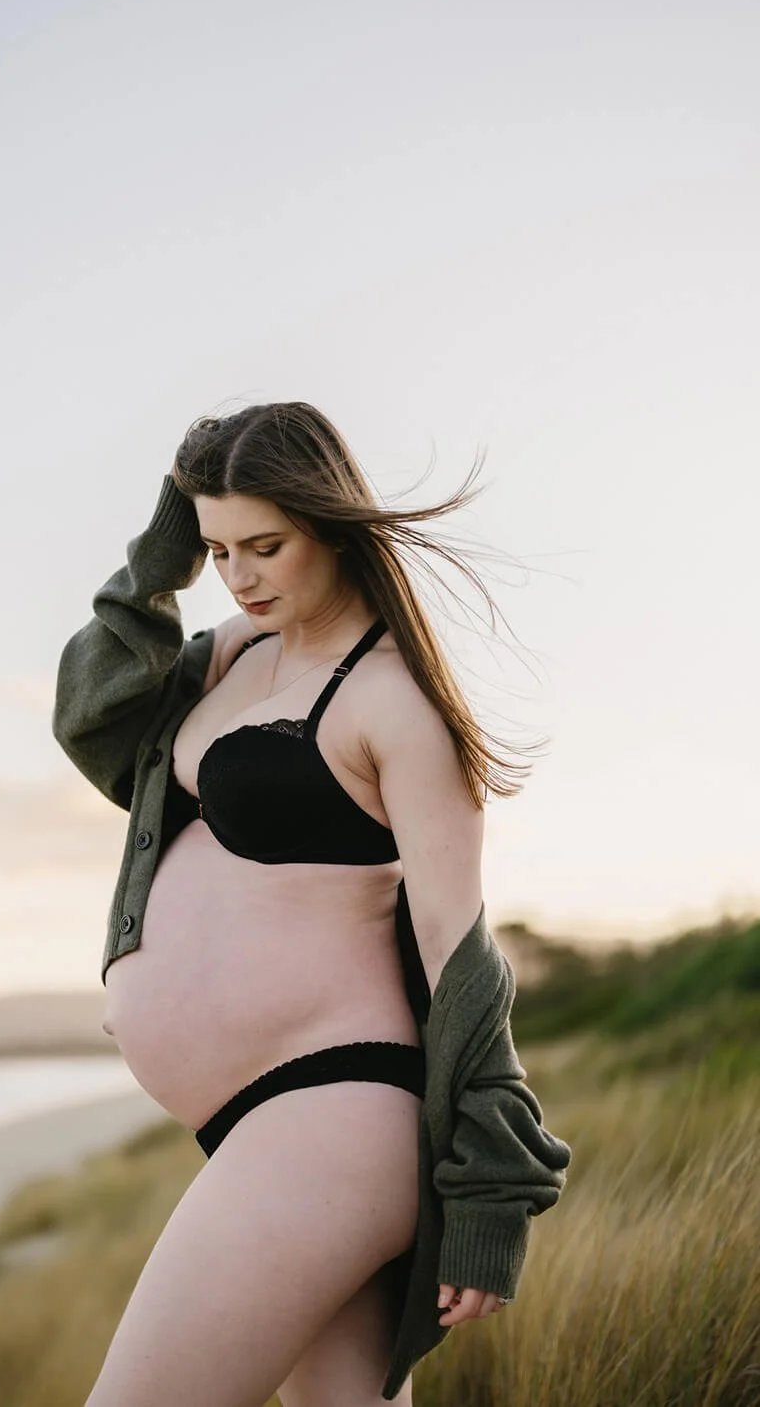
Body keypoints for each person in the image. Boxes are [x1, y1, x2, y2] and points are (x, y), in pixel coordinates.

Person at [53, 402, 571, 1407]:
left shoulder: (391, 701)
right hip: (262, 1124)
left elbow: (458, 953)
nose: (239, 576)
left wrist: (489, 1199)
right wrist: (160, 558)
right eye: (215, 550)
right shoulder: (235, 653)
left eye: (264, 546)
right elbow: (91, 716)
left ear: (329, 526)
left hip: (332, 1111)